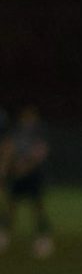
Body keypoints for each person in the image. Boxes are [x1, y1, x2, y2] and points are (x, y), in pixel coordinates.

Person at [0, 105, 53, 258]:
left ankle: (43, 238)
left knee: (37, 207)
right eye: (25, 116)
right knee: (11, 206)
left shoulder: (39, 133)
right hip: (17, 176)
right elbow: (7, 149)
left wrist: (25, 166)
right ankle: (3, 235)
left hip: (34, 176)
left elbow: (40, 153)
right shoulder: (16, 132)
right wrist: (5, 169)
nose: (28, 119)